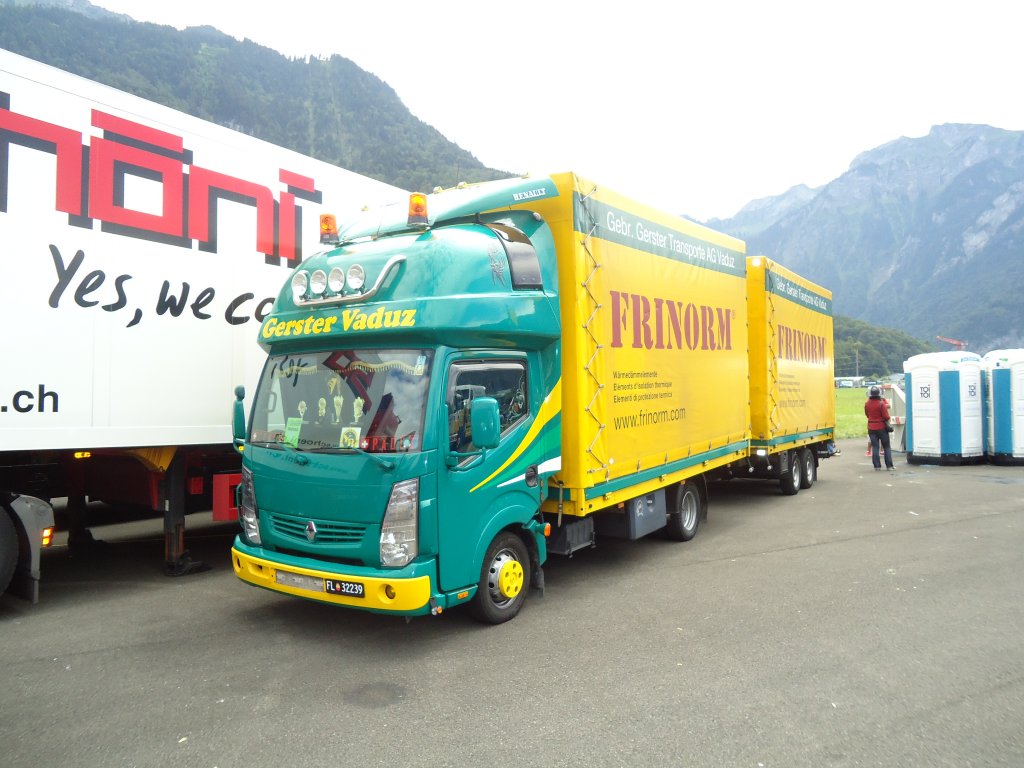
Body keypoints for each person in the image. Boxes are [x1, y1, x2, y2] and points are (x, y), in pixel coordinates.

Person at [864, 385, 894, 471]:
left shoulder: (867, 403)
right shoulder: (881, 403)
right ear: (879, 394)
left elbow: (867, 415)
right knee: (886, 447)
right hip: (881, 427)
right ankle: (889, 466)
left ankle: (877, 466)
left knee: (875, 447)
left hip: (871, 427)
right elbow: (886, 417)